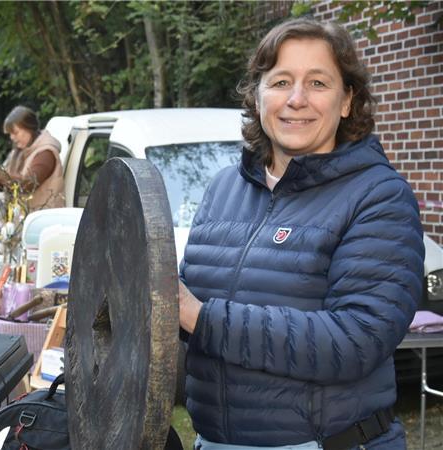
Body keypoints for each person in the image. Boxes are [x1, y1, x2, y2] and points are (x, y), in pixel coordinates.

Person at [177, 18, 424, 449]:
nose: (296, 99)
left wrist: (199, 318)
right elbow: (182, 310)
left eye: (318, 83)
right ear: (257, 96)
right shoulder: (222, 189)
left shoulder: (379, 197)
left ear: (347, 100)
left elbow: (356, 339)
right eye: (280, 81)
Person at [0, 106, 65, 211]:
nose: (12, 137)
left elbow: (26, 185)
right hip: (26, 218)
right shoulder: (19, 152)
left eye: (15, 132)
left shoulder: (45, 153)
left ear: (29, 128)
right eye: (10, 134)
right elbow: (4, 185)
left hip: (44, 220)